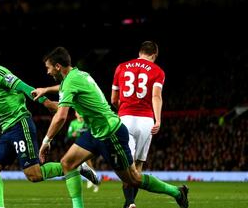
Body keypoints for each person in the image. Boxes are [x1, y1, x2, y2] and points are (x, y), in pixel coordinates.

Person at [32, 46, 188, 208]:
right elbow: (64, 89)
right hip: (95, 132)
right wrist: (46, 89)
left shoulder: (71, 81)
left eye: (49, 68)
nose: (48, 72)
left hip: (111, 133)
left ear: (58, 66)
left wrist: (45, 142)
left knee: (133, 178)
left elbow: (61, 116)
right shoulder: (78, 75)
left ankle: (177, 192)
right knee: (67, 163)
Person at [0, 39, 99, 208]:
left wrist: (47, 102)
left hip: (20, 124)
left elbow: (23, 87)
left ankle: (75, 166)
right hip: (7, 131)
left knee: (34, 175)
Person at [111, 41, 164, 208]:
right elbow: (156, 96)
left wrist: (125, 109)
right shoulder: (158, 71)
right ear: (154, 55)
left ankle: (130, 202)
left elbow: (113, 99)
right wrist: (158, 119)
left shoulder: (121, 67)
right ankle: (130, 203)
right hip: (146, 121)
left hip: (125, 119)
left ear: (140, 52)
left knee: (127, 164)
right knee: (139, 164)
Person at [67, 110, 99, 192]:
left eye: (80, 112)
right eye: (77, 112)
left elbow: (92, 131)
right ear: (75, 114)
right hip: (77, 145)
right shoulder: (73, 123)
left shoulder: (87, 123)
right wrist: (73, 134)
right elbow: (69, 134)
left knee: (87, 163)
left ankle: (93, 181)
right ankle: (93, 180)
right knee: (83, 164)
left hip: (87, 145)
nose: (79, 113)